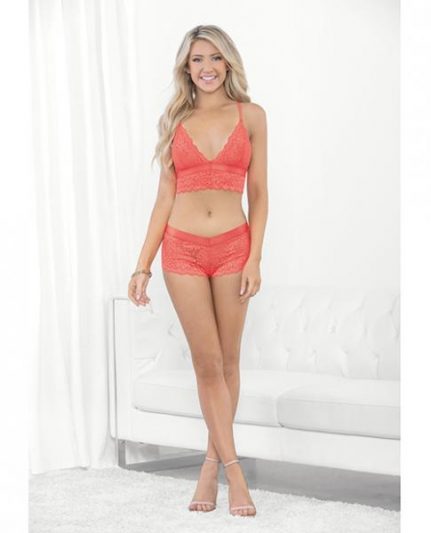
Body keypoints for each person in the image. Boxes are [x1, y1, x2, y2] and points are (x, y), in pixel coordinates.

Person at [128, 24, 268, 517]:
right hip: (182, 250)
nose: (206, 67)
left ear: (228, 62)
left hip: (233, 247)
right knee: (206, 363)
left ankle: (210, 464)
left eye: (214, 57)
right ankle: (234, 471)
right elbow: (164, 197)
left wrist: (254, 257)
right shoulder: (175, 120)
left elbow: (260, 193)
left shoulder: (251, 116)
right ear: (186, 69)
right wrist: (142, 265)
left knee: (228, 362)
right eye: (196, 60)